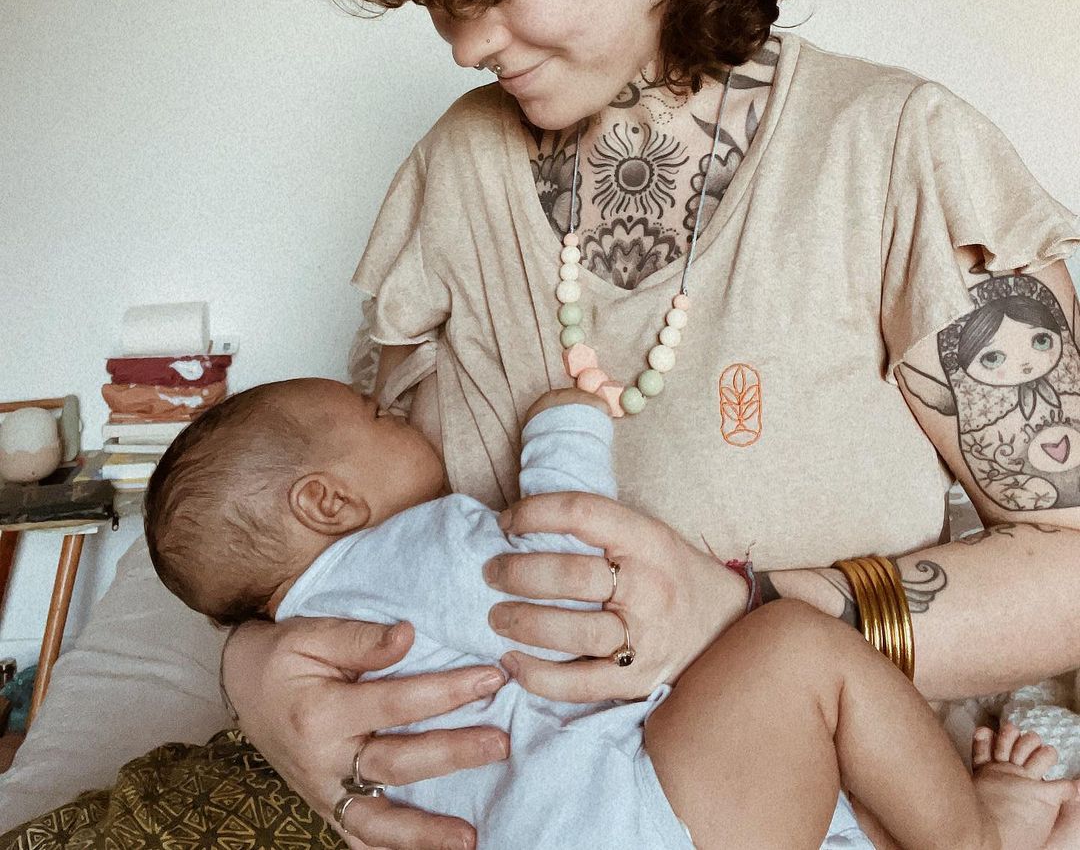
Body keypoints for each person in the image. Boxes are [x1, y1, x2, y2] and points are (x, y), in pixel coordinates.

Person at [4, 0, 1079, 850]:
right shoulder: (455, 174)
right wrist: (261, 672)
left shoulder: (896, 153)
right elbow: (346, 529)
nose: (465, 43)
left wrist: (749, 606)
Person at [143, 376, 1079, 850]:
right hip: (617, 814)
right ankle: (977, 835)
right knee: (797, 647)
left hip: (583, 816)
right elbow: (564, 575)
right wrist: (567, 425)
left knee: (819, 768)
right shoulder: (398, 556)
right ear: (326, 501)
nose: (408, 414)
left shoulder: (314, 631)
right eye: (380, 414)